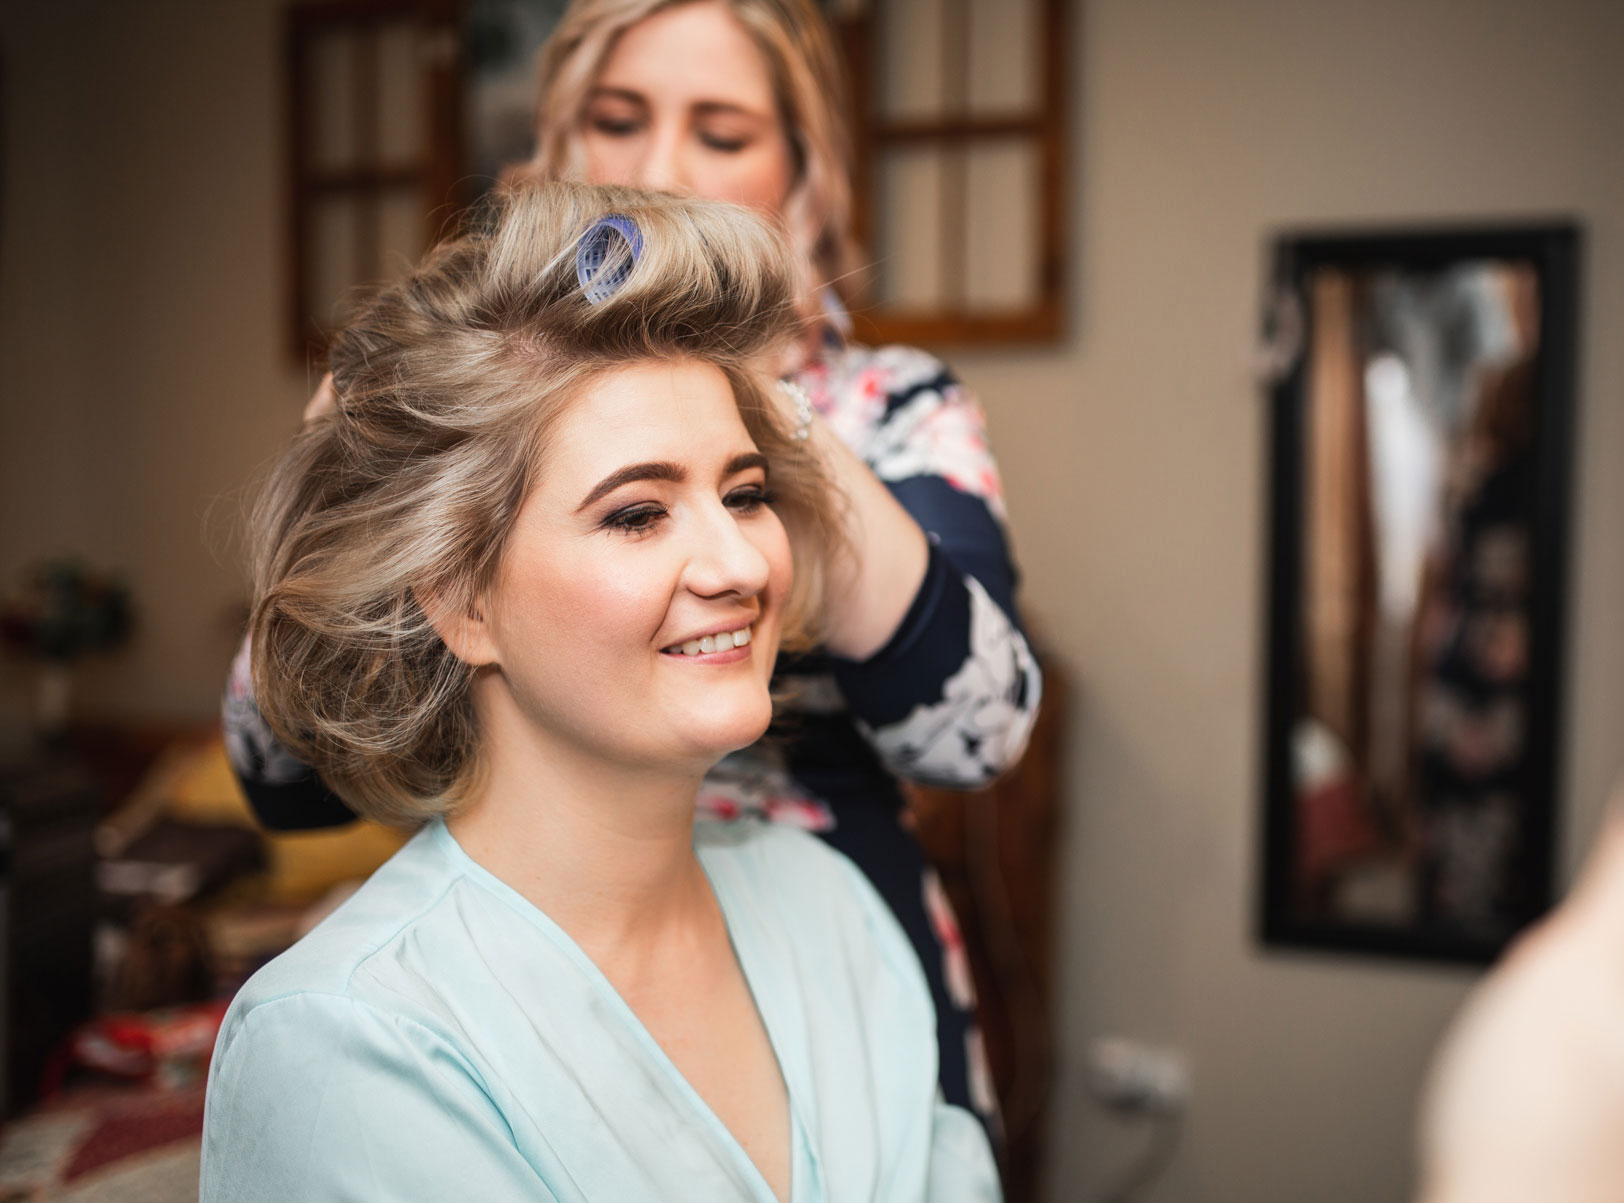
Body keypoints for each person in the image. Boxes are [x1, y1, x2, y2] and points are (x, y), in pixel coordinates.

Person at [200, 178, 1624, 1203]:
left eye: (743, 492)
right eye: (636, 509)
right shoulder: (353, 1057)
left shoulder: (820, 907)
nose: (732, 560)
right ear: (461, 598)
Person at [222, 0, 1034, 1132]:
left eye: (722, 131)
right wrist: (373, 454)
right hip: (530, 948)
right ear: (554, 146)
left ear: (805, 173)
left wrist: (744, 401)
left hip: (837, 952)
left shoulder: (894, 408)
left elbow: (977, 727)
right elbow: (277, 771)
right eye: (618, 120)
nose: (661, 167)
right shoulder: (472, 403)